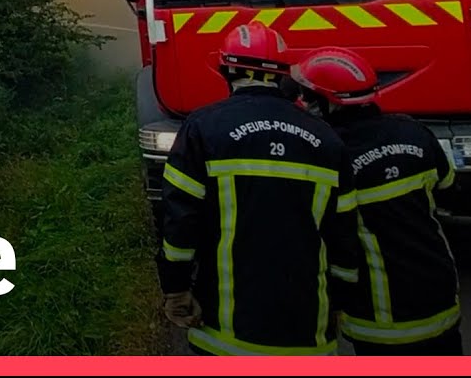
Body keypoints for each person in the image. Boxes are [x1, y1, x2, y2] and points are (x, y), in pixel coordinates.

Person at [155, 22, 362, 356]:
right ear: (283, 75)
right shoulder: (326, 138)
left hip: (224, 337)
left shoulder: (203, 129)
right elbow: (345, 235)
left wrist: (176, 288)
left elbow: (180, 221)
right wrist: (341, 301)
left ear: (226, 70)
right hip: (307, 338)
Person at [290, 46, 464, 356]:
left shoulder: (328, 154)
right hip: (440, 295)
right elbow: (448, 186)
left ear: (326, 103)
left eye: (307, 96)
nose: (302, 102)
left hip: (380, 317)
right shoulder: (414, 132)